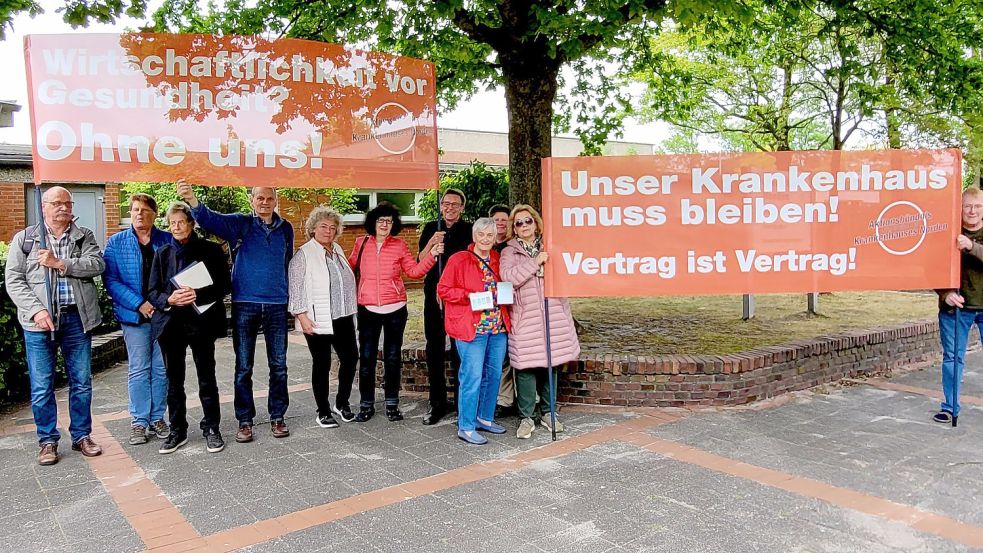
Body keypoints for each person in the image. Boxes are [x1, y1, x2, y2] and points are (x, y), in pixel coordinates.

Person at [178, 182, 294, 443]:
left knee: (280, 366)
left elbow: (287, 262)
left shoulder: (286, 228)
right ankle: (245, 420)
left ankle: (278, 416)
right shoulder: (240, 224)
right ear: (252, 200)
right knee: (244, 366)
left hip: (277, 304)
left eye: (269, 198)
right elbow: (210, 220)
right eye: (260, 198)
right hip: (245, 304)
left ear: (275, 201)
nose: (264, 202)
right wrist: (192, 199)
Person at [4, 186, 105, 465]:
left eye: (67, 203)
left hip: (77, 319)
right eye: (57, 203)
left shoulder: (83, 236)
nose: (63, 208)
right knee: (41, 385)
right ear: (44, 206)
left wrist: (60, 263)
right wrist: (36, 310)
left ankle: (82, 435)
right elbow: (14, 279)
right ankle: (47, 441)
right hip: (39, 323)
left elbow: (96, 264)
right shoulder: (25, 239)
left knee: (82, 383)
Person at [148, 203, 232, 454]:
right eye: (171, 223)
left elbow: (225, 285)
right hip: (171, 325)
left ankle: (211, 428)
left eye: (180, 222)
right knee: (174, 381)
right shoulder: (162, 253)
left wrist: (199, 293)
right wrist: (168, 300)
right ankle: (178, 430)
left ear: (191, 224)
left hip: (201, 323)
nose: (175, 227)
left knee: (207, 378)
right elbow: (152, 291)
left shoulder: (211, 250)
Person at [349, 202, 442, 422]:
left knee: (392, 357)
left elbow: (414, 271)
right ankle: (366, 404)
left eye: (389, 221)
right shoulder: (360, 243)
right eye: (381, 220)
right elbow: (349, 268)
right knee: (367, 357)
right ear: (373, 222)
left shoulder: (399, 246)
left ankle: (392, 403)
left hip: (395, 310)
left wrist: (432, 255)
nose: (384, 224)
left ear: (394, 224)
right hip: (368, 309)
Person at [500, 204, 580, 439]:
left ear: (536, 223)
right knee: (525, 367)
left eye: (528, 221)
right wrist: (535, 262)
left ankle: (548, 412)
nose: (524, 226)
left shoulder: (551, 246)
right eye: (519, 223)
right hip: (526, 318)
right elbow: (509, 277)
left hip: (552, 313)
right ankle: (526, 416)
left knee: (551, 365)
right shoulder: (509, 252)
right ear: (514, 228)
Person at [103, 193, 173, 446]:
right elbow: (110, 280)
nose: (139, 214)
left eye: (145, 210)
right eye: (135, 210)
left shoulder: (166, 240)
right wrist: (139, 303)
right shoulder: (116, 242)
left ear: (155, 214)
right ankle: (139, 421)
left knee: (161, 368)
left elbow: (175, 275)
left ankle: (157, 418)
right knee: (139, 368)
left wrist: (160, 303)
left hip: (162, 315)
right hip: (134, 316)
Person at [437, 218, 511, 445]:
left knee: (494, 376)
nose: (486, 239)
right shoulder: (459, 259)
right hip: (472, 328)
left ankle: (484, 418)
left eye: (490, 235)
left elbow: (506, 286)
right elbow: (443, 289)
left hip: (498, 327)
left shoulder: (498, 259)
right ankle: (466, 425)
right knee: (472, 377)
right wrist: (468, 296)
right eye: (482, 235)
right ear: (474, 236)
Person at [288, 207, 358, 428]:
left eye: (332, 227)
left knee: (350, 359)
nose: (328, 231)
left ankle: (341, 403)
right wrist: (301, 315)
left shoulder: (337, 249)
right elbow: (296, 287)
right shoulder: (304, 254)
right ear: (313, 228)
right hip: (317, 318)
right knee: (322, 364)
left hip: (342, 316)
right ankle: (323, 410)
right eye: (323, 226)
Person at [418, 188, 473, 425]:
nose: (449, 208)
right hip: (434, 296)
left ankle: (463, 402)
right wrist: (433, 241)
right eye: (445, 203)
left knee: (460, 350)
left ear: (462, 207)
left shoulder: (470, 230)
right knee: (435, 349)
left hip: (458, 299)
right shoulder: (432, 227)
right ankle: (437, 402)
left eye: (454, 204)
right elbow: (421, 259)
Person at [934, 187, 983, 425]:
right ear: (960, 207)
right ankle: (949, 407)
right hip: (956, 309)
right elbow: (930, 267)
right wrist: (945, 293)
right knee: (953, 358)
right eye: (967, 206)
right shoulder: (947, 232)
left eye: (978, 206)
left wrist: (971, 246)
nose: (972, 211)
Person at [488, 204, 517, 418]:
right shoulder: (485, 248)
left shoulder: (514, 248)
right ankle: (504, 400)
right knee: (502, 358)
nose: (500, 223)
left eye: (504, 220)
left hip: (515, 304)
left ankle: (525, 397)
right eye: (496, 220)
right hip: (493, 308)